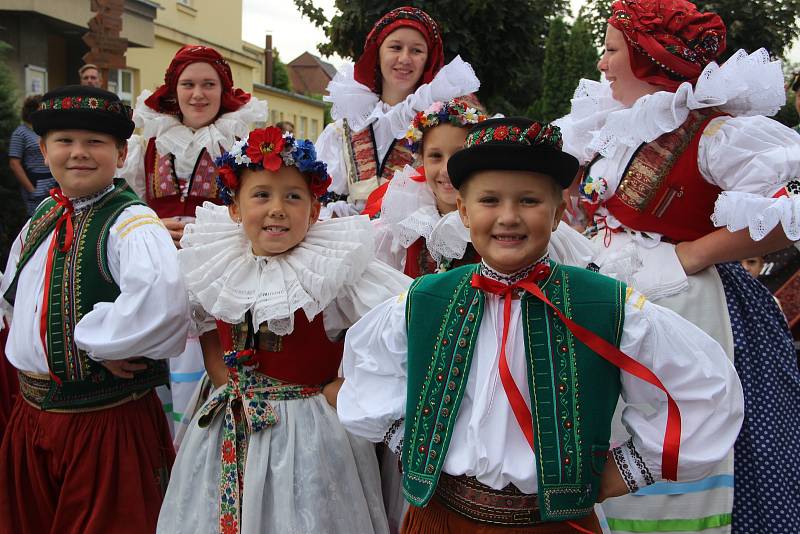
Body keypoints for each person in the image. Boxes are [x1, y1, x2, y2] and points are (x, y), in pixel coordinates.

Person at [336, 117, 743, 533]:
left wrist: (627, 470)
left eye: (529, 201)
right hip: (440, 518)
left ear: (557, 213)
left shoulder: (603, 303)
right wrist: (415, 445)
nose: (508, 217)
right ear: (463, 210)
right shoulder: (426, 299)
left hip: (553, 524)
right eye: (489, 200)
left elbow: (704, 388)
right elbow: (368, 368)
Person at [554, 1, 800, 531]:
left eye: (611, 49)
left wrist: (693, 253)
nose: (601, 63)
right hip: (614, 299)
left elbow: (793, 204)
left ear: (648, 57)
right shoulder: (614, 127)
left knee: (691, 426)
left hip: (695, 309)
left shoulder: (713, 133)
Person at [157, 126, 410, 534]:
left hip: (308, 431)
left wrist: (350, 385)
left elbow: (400, 327)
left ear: (313, 210)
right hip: (229, 418)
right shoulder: (216, 261)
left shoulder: (334, 269)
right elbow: (206, 325)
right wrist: (226, 380)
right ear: (235, 209)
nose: (277, 208)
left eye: (293, 196)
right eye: (261, 195)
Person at [0, 85, 190, 533]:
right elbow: (17, 297)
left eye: (96, 143)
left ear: (121, 153)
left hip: (105, 423)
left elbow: (161, 308)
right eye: (65, 141)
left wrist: (98, 345)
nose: (79, 153)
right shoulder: (41, 218)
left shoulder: (132, 223)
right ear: (44, 151)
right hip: (31, 416)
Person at [120, 45, 267, 437]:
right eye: (188, 84)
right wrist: (151, 223)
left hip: (218, 267)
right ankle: (163, 446)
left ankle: (209, 441)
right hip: (160, 266)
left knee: (210, 354)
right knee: (160, 357)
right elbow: (129, 206)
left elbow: (257, 205)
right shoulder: (149, 143)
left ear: (224, 91)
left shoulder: (240, 143)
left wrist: (214, 226)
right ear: (174, 89)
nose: (198, 94)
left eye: (208, 84)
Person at [315, 6, 480, 216]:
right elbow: (321, 195)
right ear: (378, 53)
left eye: (416, 50)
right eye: (395, 47)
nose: (404, 59)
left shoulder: (442, 123)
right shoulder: (348, 125)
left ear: (427, 59)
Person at [9, 95, 57, 215]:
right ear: (32, 111)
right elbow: (14, 164)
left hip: (53, 183)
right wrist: (31, 189)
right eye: (42, 108)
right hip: (36, 185)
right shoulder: (20, 133)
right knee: (37, 219)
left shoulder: (43, 130)